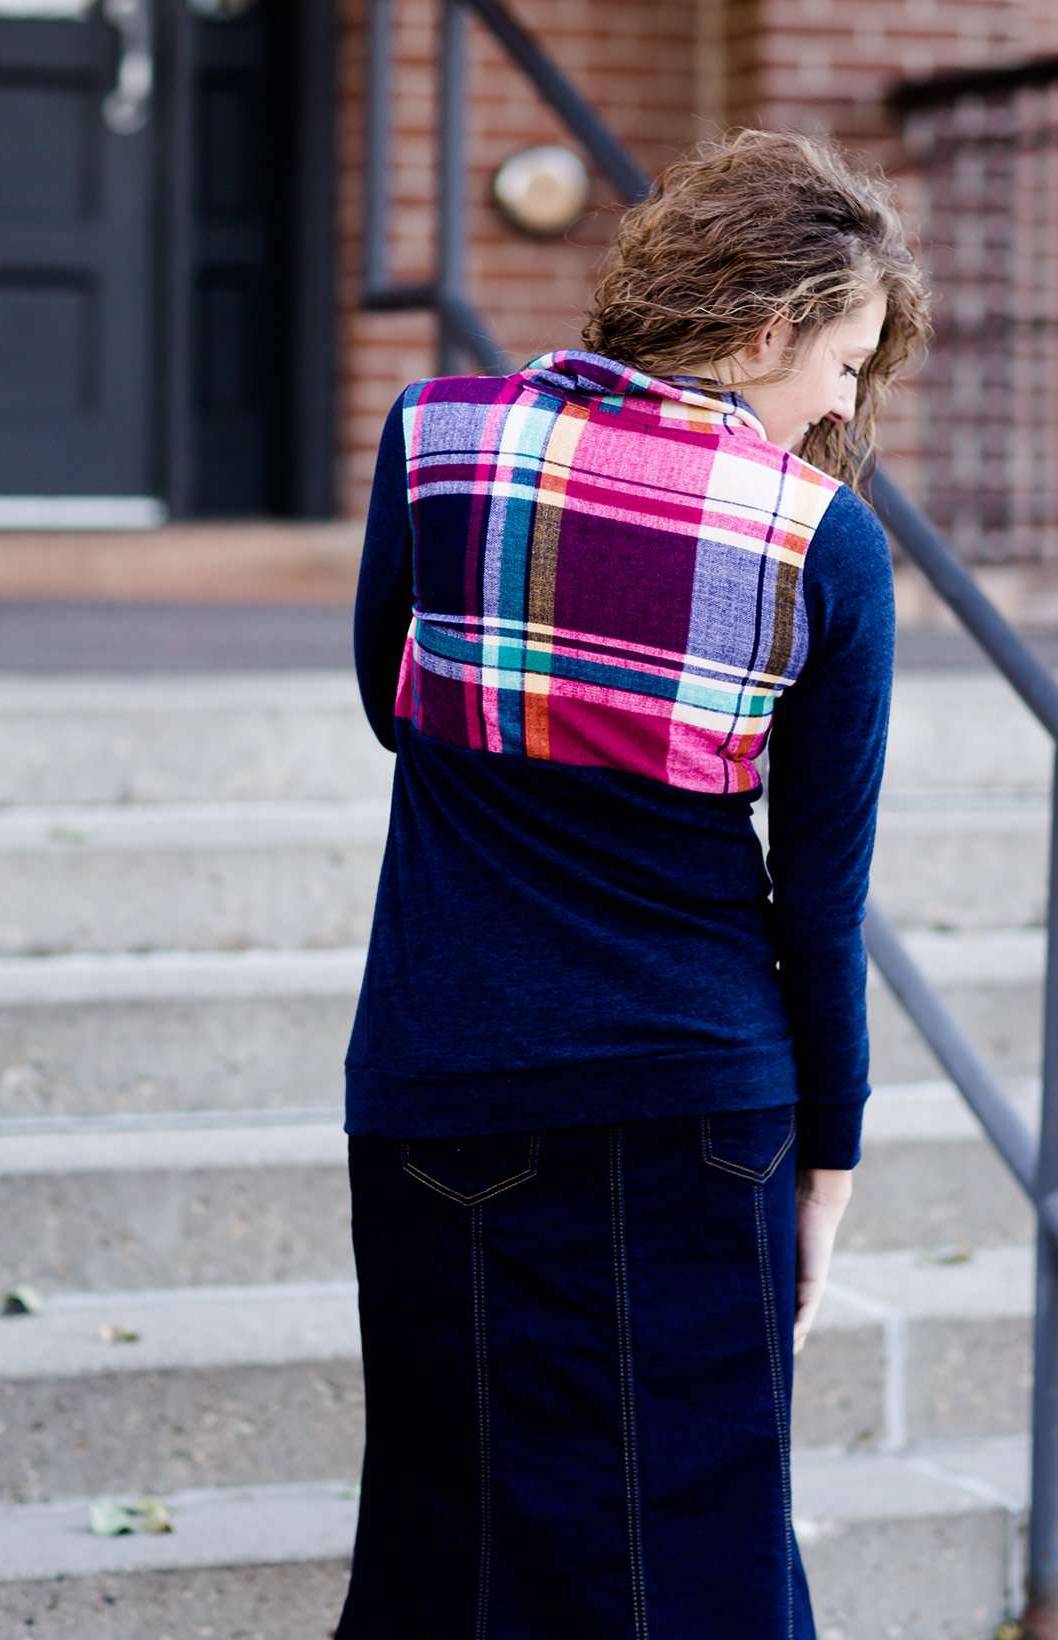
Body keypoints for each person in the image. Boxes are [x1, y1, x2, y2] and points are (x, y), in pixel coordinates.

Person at [333, 125, 933, 1640]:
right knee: (696, 1567)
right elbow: (820, 898)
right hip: (697, 1108)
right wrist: (833, 1156)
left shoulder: (437, 443)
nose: (842, 408)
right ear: (764, 324)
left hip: (441, 1077)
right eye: (847, 363)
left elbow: (395, 707)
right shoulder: (820, 542)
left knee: (444, 1556)